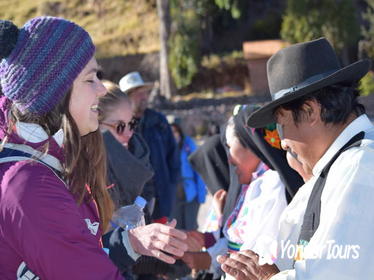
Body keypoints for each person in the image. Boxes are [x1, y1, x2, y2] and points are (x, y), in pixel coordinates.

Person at [0, 17, 187, 280]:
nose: (101, 90)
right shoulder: (29, 184)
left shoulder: (48, 162)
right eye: (91, 80)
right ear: (55, 91)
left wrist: (129, 243)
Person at [217, 37, 374, 279]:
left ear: (310, 111)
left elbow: (335, 273)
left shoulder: (359, 167)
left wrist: (266, 278)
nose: (282, 141)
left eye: (282, 123)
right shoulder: (336, 170)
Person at [182, 105, 303, 279]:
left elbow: (257, 253)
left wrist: (210, 258)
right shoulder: (254, 184)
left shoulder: (271, 185)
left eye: (230, 147)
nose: (229, 159)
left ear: (251, 145)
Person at [119, 72, 180, 223]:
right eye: (138, 93)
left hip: (162, 198)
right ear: (126, 98)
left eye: (144, 92)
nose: (144, 97)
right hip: (133, 202)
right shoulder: (119, 125)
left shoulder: (158, 121)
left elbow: (173, 156)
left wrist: (171, 186)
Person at [99, 80, 155, 214]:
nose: (129, 134)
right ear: (95, 124)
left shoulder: (140, 153)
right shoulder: (87, 169)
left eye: (131, 124)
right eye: (119, 126)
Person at [170, 122, 206, 230]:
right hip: (173, 195)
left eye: (175, 131)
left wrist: (201, 194)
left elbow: (199, 171)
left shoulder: (189, 145)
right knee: (176, 227)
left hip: (190, 193)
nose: (173, 134)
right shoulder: (165, 148)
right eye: (170, 132)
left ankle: (193, 247)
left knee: (191, 227)